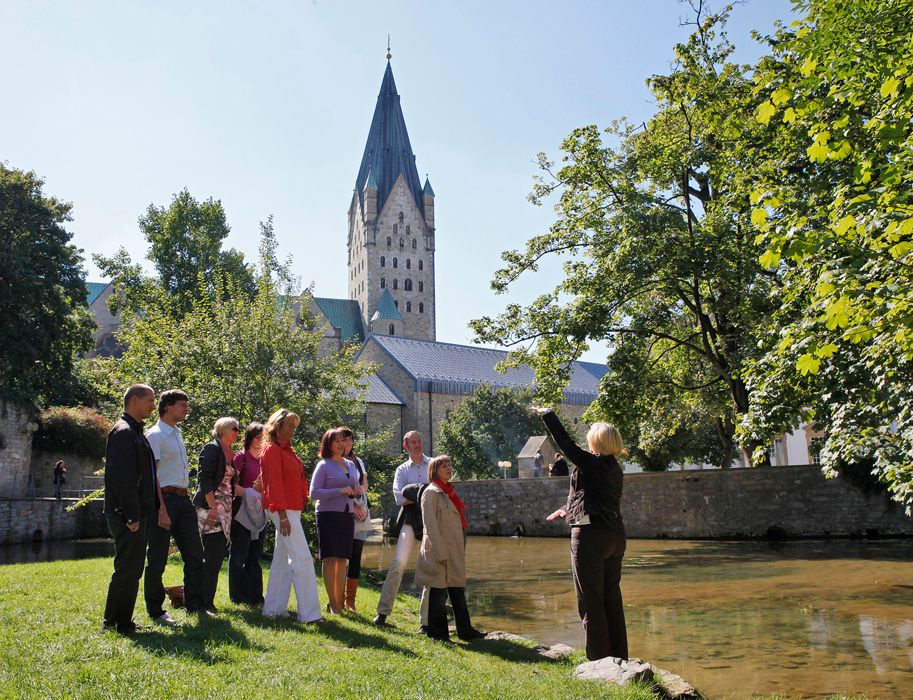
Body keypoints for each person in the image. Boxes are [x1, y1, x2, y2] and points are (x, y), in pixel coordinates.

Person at [535, 407, 628, 661]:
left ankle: (598, 661)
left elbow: (566, 445)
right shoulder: (614, 468)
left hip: (591, 538)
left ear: (597, 442)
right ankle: (619, 656)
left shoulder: (593, 463)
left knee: (591, 601)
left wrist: (548, 415)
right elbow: (596, 498)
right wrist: (567, 509)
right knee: (611, 598)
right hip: (614, 536)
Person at [144, 389, 206, 624]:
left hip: (183, 500)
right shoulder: (156, 435)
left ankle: (195, 605)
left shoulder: (177, 434)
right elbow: (152, 477)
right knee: (158, 557)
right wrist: (160, 508)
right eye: (182, 404)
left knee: (195, 555)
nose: (186, 409)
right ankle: (156, 611)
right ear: (167, 406)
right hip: (165, 499)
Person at [260, 409, 324, 625]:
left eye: (295, 426)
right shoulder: (272, 451)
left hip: (290, 509)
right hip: (282, 510)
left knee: (282, 561)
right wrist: (283, 516)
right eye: (290, 426)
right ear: (277, 426)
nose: (293, 430)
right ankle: (310, 615)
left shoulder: (287, 450)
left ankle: (273, 609)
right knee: (302, 558)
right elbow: (274, 485)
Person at [102, 384, 157, 635]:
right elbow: (122, 479)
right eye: (150, 400)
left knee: (132, 568)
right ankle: (115, 622)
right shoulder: (124, 432)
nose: (153, 406)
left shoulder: (135, 432)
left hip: (135, 512)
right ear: (135, 400)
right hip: (126, 514)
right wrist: (132, 515)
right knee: (127, 568)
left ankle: (123, 620)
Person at [415, 455, 485, 642]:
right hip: (440, 550)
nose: (448, 468)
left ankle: (465, 631)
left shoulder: (448, 492)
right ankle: (438, 634)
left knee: (457, 590)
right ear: (434, 470)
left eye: (450, 465)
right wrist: (440, 552)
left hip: (453, 550)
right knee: (438, 592)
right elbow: (430, 526)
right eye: (444, 466)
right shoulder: (431, 493)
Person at [373, 430, 430, 629]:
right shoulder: (402, 470)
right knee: (399, 562)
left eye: (419, 441)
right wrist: (424, 493)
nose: (418, 444)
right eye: (413, 442)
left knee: (430, 566)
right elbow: (399, 497)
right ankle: (383, 613)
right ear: (406, 446)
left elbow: (441, 491)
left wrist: (414, 493)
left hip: (430, 520)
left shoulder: (433, 464)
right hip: (409, 518)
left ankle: (426, 622)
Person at [310, 427, 362, 614]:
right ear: (328, 444)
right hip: (328, 515)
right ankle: (334, 604)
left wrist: (356, 491)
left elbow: (354, 488)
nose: (341, 444)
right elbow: (314, 493)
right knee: (330, 558)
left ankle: (338, 603)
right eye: (337, 441)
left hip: (346, 515)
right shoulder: (323, 465)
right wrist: (340, 491)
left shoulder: (350, 464)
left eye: (343, 440)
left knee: (342, 559)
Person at [193, 417, 241, 614]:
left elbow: (229, 484)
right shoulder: (212, 448)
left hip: (226, 509)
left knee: (217, 554)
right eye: (234, 428)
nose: (237, 432)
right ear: (223, 429)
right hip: (211, 507)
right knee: (212, 554)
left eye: (238, 429)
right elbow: (204, 479)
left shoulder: (231, 453)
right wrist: (212, 506)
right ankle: (203, 602)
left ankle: (205, 600)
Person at [229, 422, 267, 606]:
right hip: (241, 514)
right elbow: (232, 486)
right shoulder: (240, 458)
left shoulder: (265, 460)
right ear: (250, 438)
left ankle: (255, 597)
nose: (262, 441)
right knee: (238, 556)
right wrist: (251, 492)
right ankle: (238, 597)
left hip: (260, 514)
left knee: (255, 557)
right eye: (259, 437)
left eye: (264, 438)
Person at [340, 427, 372, 611]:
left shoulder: (358, 461)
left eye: (350, 439)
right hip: (343, 511)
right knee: (340, 556)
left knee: (356, 555)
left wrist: (360, 494)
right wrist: (353, 505)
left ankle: (350, 600)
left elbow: (364, 483)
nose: (347, 443)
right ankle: (336, 598)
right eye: (343, 439)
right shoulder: (334, 462)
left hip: (361, 511)